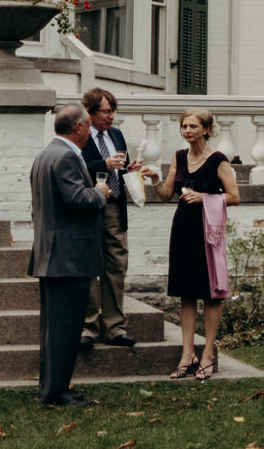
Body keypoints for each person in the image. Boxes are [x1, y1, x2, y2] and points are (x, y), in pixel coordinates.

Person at [27, 103, 110, 408]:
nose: (91, 131)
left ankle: (52, 388)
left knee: (54, 330)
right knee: (64, 330)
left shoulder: (45, 154)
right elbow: (77, 200)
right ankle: (56, 393)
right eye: (89, 126)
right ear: (77, 127)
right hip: (68, 258)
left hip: (53, 256)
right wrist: (99, 192)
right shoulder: (65, 157)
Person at [157, 108, 239, 380]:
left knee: (211, 293)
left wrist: (204, 197)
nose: (188, 131)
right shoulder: (179, 157)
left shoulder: (218, 159)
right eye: (184, 126)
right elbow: (166, 194)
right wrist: (154, 180)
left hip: (207, 233)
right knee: (186, 293)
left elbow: (234, 196)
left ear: (206, 129)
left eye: (193, 126)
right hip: (182, 229)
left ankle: (207, 353)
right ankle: (187, 353)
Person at [79, 87, 137, 349]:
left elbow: (119, 166)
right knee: (90, 265)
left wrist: (129, 168)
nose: (112, 116)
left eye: (113, 111)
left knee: (116, 266)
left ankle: (115, 328)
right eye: (106, 111)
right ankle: (88, 327)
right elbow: (77, 167)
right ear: (90, 112)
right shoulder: (80, 134)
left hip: (114, 206)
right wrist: (104, 164)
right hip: (90, 206)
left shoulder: (116, 134)